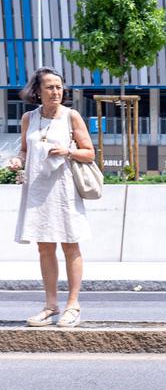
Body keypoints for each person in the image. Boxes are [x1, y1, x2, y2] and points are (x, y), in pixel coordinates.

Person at [9, 68, 95, 328]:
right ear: (37, 91)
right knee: (44, 247)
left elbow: (89, 153)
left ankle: (73, 305)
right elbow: (25, 150)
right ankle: (50, 305)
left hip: (64, 189)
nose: (56, 91)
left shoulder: (71, 116)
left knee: (70, 245)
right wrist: (17, 160)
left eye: (59, 87)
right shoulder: (29, 118)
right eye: (50, 87)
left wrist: (67, 151)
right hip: (37, 189)